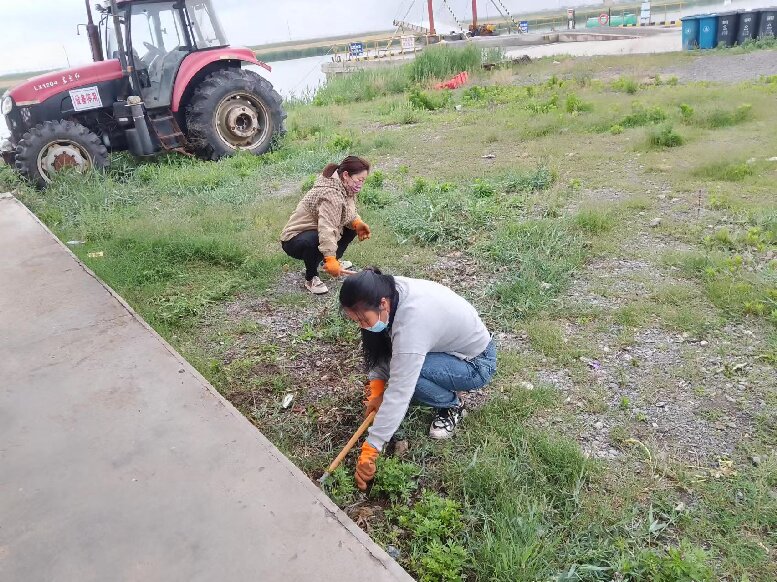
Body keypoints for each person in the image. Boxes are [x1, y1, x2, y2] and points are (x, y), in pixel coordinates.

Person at [339, 268, 497, 491]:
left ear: (382, 304)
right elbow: (384, 349)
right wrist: (376, 389)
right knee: (401, 365)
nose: (361, 325)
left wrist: (371, 449)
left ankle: (452, 405)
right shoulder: (385, 291)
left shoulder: (412, 322)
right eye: (356, 320)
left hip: (476, 364)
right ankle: (443, 386)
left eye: (363, 319)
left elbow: (400, 390)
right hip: (445, 349)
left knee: (409, 375)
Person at [281, 156, 372, 295]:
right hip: (294, 239)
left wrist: (357, 222)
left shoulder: (344, 187)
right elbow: (327, 228)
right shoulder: (330, 194)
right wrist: (330, 256)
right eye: (359, 179)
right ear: (346, 175)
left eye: (363, 180)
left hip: (316, 230)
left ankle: (329, 262)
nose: (360, 184)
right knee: (313, 240)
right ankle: (311, 278)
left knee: (352, 227)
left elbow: (347, 213)